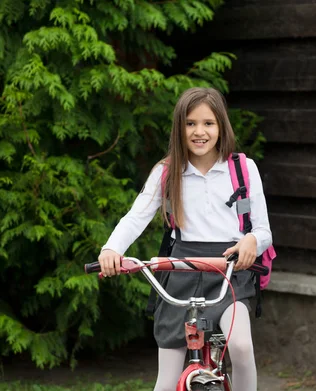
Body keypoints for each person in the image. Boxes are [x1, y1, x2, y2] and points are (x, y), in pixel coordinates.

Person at [98, 87, 272, 391]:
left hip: (228, 271)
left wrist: (251, 243)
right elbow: (135, 218)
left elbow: (264, 231)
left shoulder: (243, 169)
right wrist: (112, 249)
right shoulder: (167, 172)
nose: (199, 131)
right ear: (179, 127)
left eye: (208, 123)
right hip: (180, 270)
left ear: (221, 126)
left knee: (241, 346)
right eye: (190, 123)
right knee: (166, 377)